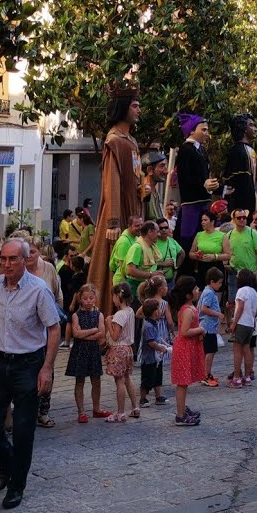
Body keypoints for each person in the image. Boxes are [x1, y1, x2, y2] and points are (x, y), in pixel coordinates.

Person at [0, 238, 60, 509]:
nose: (7, 264)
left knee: (23, 429)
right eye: (3, 259)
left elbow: (54, 328)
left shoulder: (38, 289)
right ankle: (6, 460)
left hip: (28, 363)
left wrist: (47, 368)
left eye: (13, 259)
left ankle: (16, 485)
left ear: (24, 260)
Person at [89, 83, 144, 312]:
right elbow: (112, 182)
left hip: (133, 209)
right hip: (118, 211)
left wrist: (143, 188)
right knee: (112, 265)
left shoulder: (131, 140)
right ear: (123, 107)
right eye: (134, 106)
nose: (138, 110)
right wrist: (113, 222)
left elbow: (136, 174)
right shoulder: (114, 141)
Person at [175, 112, 220, 276]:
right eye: (204, 129)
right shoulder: (185, 150)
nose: (207, 133)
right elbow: (185, 176)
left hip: (204, 202)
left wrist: (215, 186)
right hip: (191, 204)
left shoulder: (202, 150)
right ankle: (185, 276)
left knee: (204, 240)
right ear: (192, 131)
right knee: (189, 240)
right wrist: (203, 184)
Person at [65, 284, 106, 424]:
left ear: (95, 298)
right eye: (85, 298)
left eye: (91, 298)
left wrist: (84, 334)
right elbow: (76, 334)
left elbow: (102, 333)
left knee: (96, 380)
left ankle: (96, 408)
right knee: (80, 381)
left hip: (93, 351)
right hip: (80, 351)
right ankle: (81, 412)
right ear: (80, 299)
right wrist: (93, 330)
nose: (88, 301)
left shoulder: (99, 314)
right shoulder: (76, 315)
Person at [168, 276, 205, 426]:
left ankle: (183, 409)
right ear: (188, 295)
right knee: (182, 383)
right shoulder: (188, 310)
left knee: (184, 383)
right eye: (195, 289)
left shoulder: (189, 308)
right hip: (184, 349)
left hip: (187, 348)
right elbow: (184, 332)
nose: (198, 290)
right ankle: (180, 415)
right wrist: (200, 329)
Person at [104, 282, 141, 422]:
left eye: (113, 296)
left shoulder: (119, 315)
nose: (113, 299)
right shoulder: (130, 311)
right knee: (127, 378)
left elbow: (115, 336)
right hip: (128, 349)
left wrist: (108, 323)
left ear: (118, 296)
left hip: (118, 350)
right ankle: (135, 407)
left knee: (119, 381)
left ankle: (120, 412)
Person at [224, 208, 257, 310]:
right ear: (234, 219)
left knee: (250, 302)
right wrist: (226, 265)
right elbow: (225, 253)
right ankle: (233, 319)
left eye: (244, 217)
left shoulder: (252, 233)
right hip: (234, 272)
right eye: (239, 218)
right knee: (232, 301)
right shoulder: (229, 235)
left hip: (250, 273)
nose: (242, 219)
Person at [230, 269, 257, 387]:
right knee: (247, 349)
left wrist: (234, 323)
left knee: (237, 350)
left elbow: (240, 307)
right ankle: (247, 377)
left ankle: (236, 378)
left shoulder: (241, 291)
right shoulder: (254, 292)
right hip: (251, 324)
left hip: (241, 323)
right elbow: (256, 312)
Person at [138, 297, 171, 406]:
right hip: (149, 359)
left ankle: (158, 396)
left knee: (157, 377)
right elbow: (151, 342)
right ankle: (143, 398)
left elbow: (158, 337)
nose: (160, 311)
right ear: (155, 312)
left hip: (156, 358)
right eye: (158, 309)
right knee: (147, 379)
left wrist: (165, 344)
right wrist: (161, 348)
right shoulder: (148, 325)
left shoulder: (154, 323)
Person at [224, 113, 257, 214]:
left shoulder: (249, 150)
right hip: (242, 205)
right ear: (243, 128)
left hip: (252, 200)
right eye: (251, 125)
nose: (255, 129)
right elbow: (240, 181)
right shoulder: (238, 151)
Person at [197, 267, 225, 387]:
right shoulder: (209, 293)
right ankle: (206, 375)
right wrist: (218, 314)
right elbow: (204, 309)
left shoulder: (208, 291)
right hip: (208, 327)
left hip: (209, 327)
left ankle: (205, 373)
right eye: (219, 283)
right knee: (210, 351)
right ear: (212, 282)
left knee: (209, 351)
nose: (220, 285)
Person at [141, 152, 169, 222]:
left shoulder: (156, 193)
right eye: (162, 166)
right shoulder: (144, 191)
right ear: (150, 170)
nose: (166, 171)